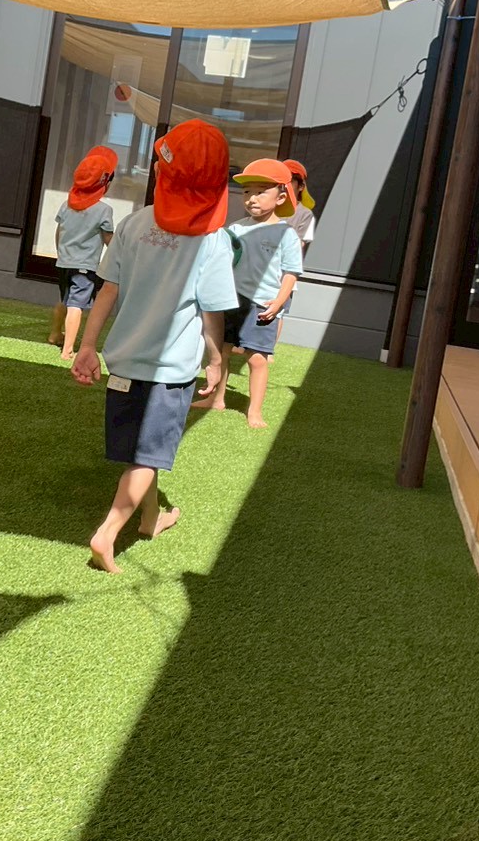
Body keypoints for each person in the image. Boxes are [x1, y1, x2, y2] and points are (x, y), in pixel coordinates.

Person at [71, 120, 236, 575]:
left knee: (143, 450)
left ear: (163, 172)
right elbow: (212, 312)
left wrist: (88, 344)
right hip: (170, 373)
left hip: (124, 363)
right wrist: (217, 360)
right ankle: (107, 533)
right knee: (147, 456)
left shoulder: (134, 223)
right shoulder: (213, 240)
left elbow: (108, 289)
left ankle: (149, 519)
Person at [209, 158, 304, 429]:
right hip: (231, 299)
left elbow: (291, 273)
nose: (252, 198)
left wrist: (279, 302)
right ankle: (216, 399)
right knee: (222, 350)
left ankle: (255, 411)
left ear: (281, 197)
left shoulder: (286, 234)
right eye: (247, 191)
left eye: (261, 192)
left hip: (263, 304)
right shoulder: (235, 229)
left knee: (257, 358)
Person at [47, 146, 117, 360]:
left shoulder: (66, 205)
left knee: (64, 299)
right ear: (104, 183)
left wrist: (61, 254)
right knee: (76, 306)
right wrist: (118, 256)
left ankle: (55, 334)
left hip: (64, 262)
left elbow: (59, 232)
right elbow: (109, 239)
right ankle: (68, 349)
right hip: (85, 266)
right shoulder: (103, 210)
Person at [283, 158, 315, 255]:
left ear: (301, 186)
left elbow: (298, 245)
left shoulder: (306, 214)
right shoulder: (268, 206)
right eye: (281, 181)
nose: (285, 186)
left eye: (290, 181)